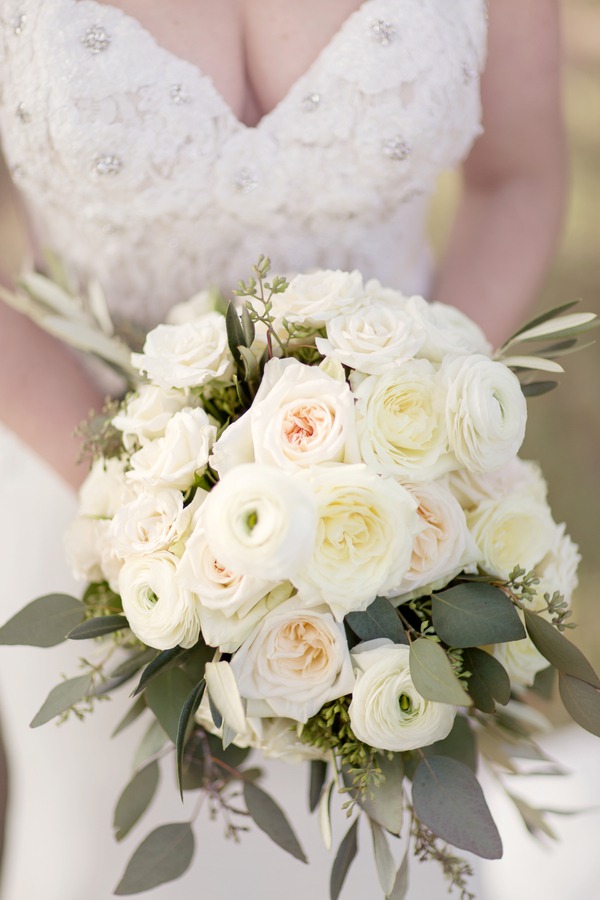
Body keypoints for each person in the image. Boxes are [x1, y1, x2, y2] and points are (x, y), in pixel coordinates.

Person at [0, 1, 574, 898]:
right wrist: (148, 505)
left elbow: (519, 176)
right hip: (91, 505)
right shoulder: (115, 505)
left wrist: (424, 430)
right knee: (103, 864)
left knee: (391, 852)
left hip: (402, 526)